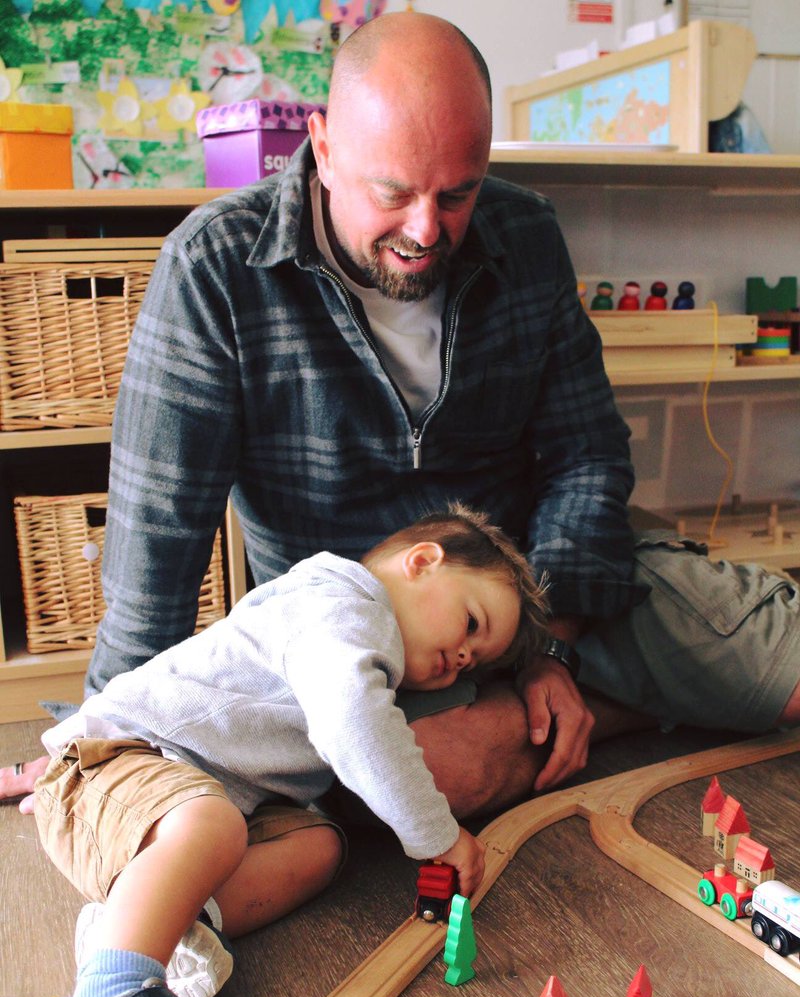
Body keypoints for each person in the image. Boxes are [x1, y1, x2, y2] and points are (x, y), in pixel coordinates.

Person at [3, 11, 799, 816]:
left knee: (788, 675)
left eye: (458, 192)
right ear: (323, 146)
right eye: (394, 192)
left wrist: (547, 650)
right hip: (369, 634)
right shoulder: (213, 269)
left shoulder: (525, 231)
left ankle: (592, 697)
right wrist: (101, 741)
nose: (427, 230)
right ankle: (638, 706)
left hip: (550, 583)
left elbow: (587, 453)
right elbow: (157, 537)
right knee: (422, 773)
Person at [27, 505, 549, 997]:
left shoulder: (361, 635)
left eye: (477, 662)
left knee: (318, 845)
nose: (463, 658)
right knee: (212, 823)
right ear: (423, 561)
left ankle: (154, 925)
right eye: (472, 625)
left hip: (194, 801)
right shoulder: (341, 604)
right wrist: (439, 836)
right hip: (116, 763)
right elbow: (355, 724)